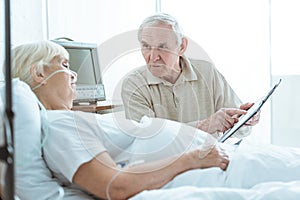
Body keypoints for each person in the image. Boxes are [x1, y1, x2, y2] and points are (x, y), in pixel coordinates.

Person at [10, 41, 300, 200]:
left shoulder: (69, 121)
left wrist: (210, 130)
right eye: (64, 66)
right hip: (212, 166)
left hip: (218, 156)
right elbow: (116, 186)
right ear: (38, 74)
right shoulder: (59, 125)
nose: (73, 75)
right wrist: (193, 159)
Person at [121, 13, 260, 140]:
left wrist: (244, 120)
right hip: (166, 164)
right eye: (146, 46)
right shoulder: (133, 84)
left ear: (182, 46)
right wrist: (205, 126)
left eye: (162, 47)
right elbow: (147, 139)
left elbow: (240, 132)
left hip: (213, 158)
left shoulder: (207, 72)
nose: (153, 57)